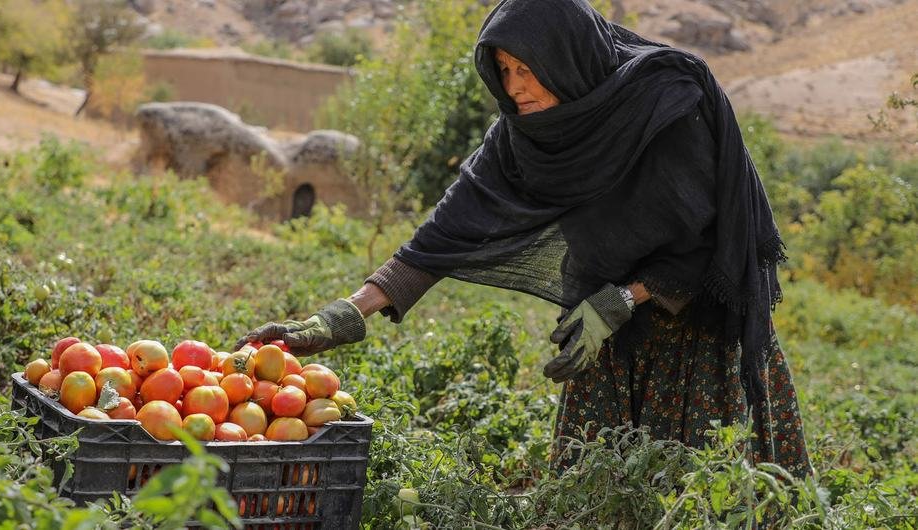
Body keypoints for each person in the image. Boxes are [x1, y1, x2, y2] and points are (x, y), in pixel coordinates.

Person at [236, 0, 811, 478]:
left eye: (526, 69)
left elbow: (718, 240)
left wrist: (624, 298)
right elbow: (444, 233)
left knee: (705, 491)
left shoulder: (668, 104)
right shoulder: (522, 135)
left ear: (564, 59)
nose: (515, 89)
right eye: (504, 71)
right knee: (595, 494)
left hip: (699, 332)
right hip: (602, 334)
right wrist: (339, 316)